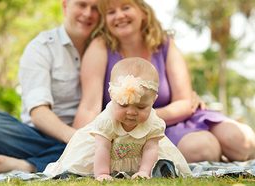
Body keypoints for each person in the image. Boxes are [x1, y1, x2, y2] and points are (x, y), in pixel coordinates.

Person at [73, 0, 255, 163]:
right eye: (111, 12)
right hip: (135, 129)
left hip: (178, 117)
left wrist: (144, 115)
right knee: (204, 149)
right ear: (106, 20)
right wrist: (77, 143)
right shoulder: (100, 47)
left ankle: (225, 152)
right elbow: (89, 107)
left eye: (126, 7)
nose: (119, 15)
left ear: (143, 12)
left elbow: (184, 103)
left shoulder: (164, 44)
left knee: (242, 142)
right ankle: (220, 156)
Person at [0, 0, 100, 174]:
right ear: (65, 6)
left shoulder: (105, 48)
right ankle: (77, 157)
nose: (88, 14)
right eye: (81, 5)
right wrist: (79, 141)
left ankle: (30, 165)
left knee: (114, 141)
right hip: (38, 137)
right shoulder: (41, 48)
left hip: (89, 134)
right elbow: (39, 114)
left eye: (95, 8)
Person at [44, 57, 192, 181]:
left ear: (153, 101)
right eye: (123, 104)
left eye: (141, 107)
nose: (131, 112)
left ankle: (140, 170)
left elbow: (151, 148)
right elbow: (102, 147)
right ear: (112, 96)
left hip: (141, 159)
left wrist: (144, 172)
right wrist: (102, 173)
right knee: (77, 168)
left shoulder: (153, 123)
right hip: (102, 157)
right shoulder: (107, 120)